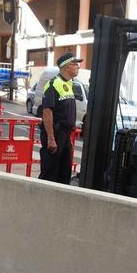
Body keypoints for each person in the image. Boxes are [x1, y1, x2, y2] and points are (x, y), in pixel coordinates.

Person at [38, 52, 82, 184]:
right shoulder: (53, 84)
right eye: (75, 64)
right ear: (67, 67)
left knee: (64, 172)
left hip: (65, 134)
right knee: (50, 172)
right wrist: (51, 138)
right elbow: (47, 111)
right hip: (55, 134)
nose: (78, 67)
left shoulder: (69, 84)